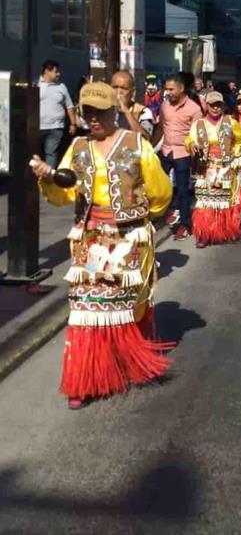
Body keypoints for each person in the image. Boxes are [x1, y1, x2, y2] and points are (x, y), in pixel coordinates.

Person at [29, 82, 173, 410]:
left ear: (113, 112)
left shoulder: (137, 145)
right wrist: (47, 176)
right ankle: (86, 376)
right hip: (91, 240)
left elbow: (161, 193)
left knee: (130, 302)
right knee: (87, 307)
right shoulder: (77, 147)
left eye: (100, 113)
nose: (93, 119)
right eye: (87, 113)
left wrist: (137, 219)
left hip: (128, 237)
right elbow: (62, 192)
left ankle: (129, 359)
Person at [185, 91, 241, 248]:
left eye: (218, 105)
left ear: (223, 106)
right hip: (205, 168)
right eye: (212, 105)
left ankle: (224, 230)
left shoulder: (230, 123)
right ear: (206, 106)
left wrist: (234, 153)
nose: (215, 108)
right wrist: (192, 145)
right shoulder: (198, 125)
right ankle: (205, 233)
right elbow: (190, 140)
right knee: (205, 201)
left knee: (224, 200)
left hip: (225, 168)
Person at [158, 73, 203, 240]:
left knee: (183, 190)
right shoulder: (164, 106)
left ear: (181, 88)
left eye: (171, 89)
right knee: (160, 185)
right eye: (167, 89)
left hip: (183, 153)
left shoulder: (194, 109)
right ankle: (161, 216)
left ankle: (185, 224)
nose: (168, 92)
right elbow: (161, 127)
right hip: (165, 151)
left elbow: (197, 134)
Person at [39, 60, 79, 168]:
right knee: (37, 153)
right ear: (47, 71)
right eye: (56, 71)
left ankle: (49, 177)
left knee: (51, 153)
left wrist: (73, 123)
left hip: (56, 127)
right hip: (38, 127)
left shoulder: (62, 87)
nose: (58, 74)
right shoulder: (37, 85)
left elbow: (69, 107)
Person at [111, 71, 155, 140]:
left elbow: (145, 139)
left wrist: (126, 111)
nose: (118, 92)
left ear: (133, 92)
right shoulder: (106, 109)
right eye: (115, 87)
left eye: (123, 88)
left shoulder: (143, 111)